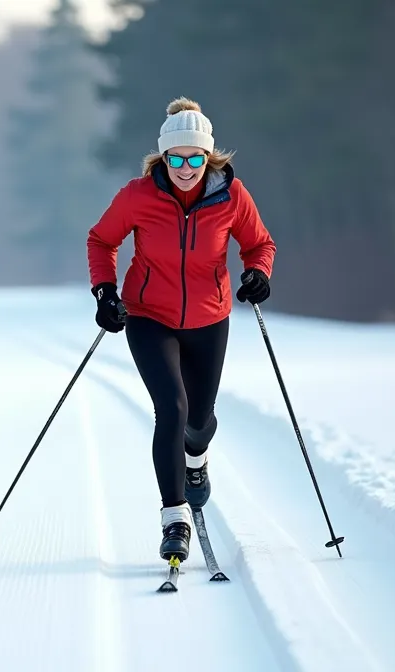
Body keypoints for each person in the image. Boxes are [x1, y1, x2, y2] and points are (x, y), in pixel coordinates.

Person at [85, 96, 274, 563]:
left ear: (207, 158)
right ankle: (175, 522)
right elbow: (101, 240)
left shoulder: (231, 196)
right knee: (170, 408)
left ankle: (196, 460)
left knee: (199, 421)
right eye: (176, 158)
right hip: (148, 315)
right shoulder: (138, 196)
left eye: (194, 158)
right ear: (163, 157)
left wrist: (258, 274)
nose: (185, 168)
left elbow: (259, 244)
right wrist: (106, 293)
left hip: (210, 318)